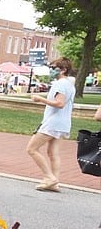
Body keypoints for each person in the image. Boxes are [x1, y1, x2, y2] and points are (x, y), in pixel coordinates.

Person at [26, 57, 75, 192]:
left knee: (32, 149)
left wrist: (40, 99)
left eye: (55, 68)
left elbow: (60, 103)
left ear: (64, 70)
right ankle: (54, 182)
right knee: (53, 153)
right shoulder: (69, 84)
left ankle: (49, 177)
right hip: (63, 122)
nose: (52, 70)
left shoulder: (60, 84)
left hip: (53, 122)